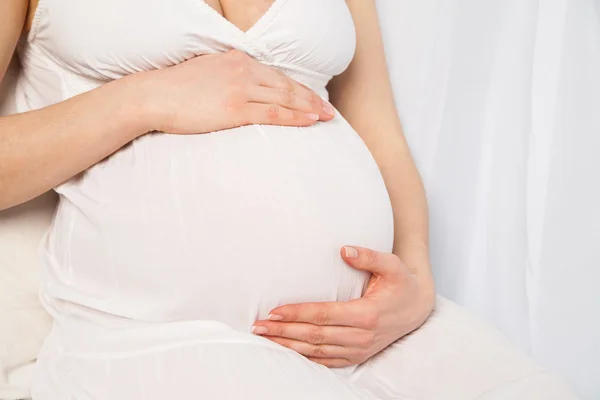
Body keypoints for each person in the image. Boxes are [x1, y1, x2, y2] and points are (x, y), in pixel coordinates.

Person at [0, 0, 578, 399]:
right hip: (159, 335)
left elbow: (383, 139)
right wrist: (143, 98)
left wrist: (416, 284)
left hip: (369, 334)